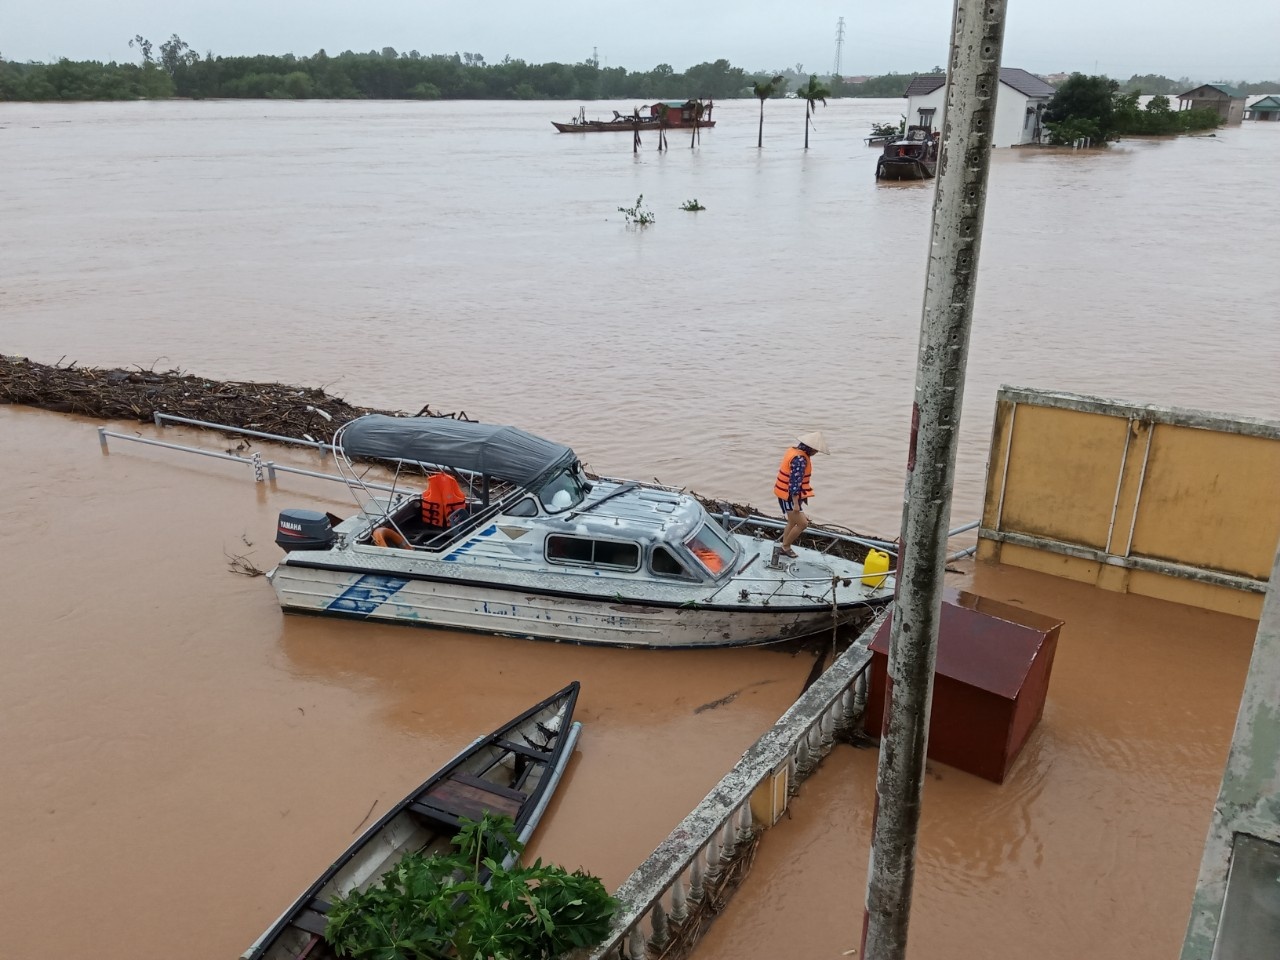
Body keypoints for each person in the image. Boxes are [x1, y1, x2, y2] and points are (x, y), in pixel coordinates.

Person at [773, 431, 831, 558]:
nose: (816, 453)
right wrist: (795, 504)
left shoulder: (794, 451)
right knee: (803, 524)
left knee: (792, 522)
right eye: (816, 450)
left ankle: (784, 545)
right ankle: (785, 546)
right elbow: (795, 482)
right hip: (789, 496)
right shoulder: (800, 459)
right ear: (811, 448)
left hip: (784, 493)